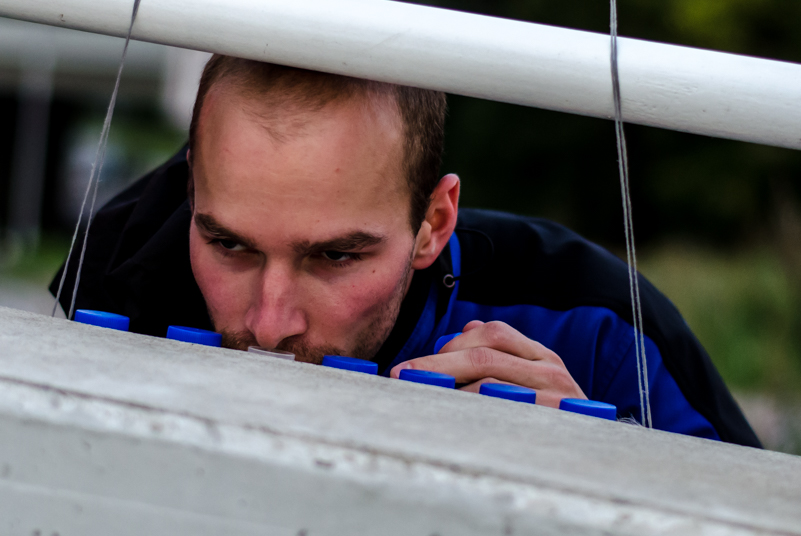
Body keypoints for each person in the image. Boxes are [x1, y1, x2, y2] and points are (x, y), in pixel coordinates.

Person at [51, 56, 760, 447]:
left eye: (334, 257)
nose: (268, 325)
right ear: (191, 193)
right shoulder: (121, 274)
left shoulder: (597, 325)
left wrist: (608, 467)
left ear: (433, 223)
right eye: (228, 244)